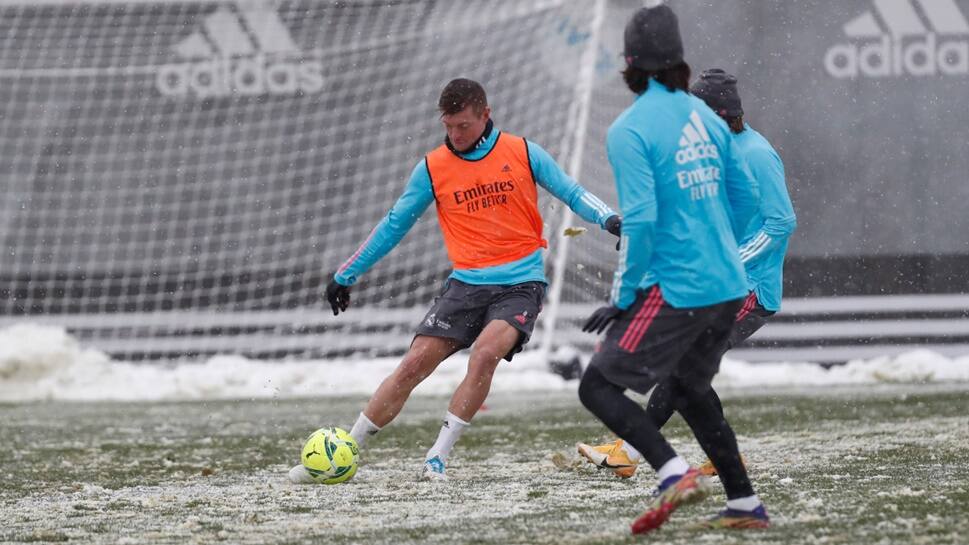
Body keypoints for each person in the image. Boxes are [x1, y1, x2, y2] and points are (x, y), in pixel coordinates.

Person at [289, 78, 620, 483]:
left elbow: (572, 191)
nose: (454, 135)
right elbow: (395, 224)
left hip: (521, 284)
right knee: (413, 365)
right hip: (465, 286)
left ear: (486, 115)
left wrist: (610, 219)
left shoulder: (523, 152)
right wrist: (346, 274)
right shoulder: (432, 167)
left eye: (463, 125)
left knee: (483, 355)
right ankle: (345, 451)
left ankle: (436, 459)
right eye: (448, 126)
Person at [574, 6, 770, 534]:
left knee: (596, 387)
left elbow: (640, 220)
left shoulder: (629, 128)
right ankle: (745, 504)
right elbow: (745, 194)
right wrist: (714, 241)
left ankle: (672, 471)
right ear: (680, 61)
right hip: (729, 285)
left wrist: (624, 296)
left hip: (682, 288)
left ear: (629, 63)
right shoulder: (708, 118)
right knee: (688, 388)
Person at [577, 69, 797, 484]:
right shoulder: (712, 150)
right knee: (685, 370)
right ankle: (723, 459)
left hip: (748, 288)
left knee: (681, 365)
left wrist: (731, 260)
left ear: (717, 113)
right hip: (711, 284)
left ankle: (625, 452)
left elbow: (781, 222)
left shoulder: (756, 154)